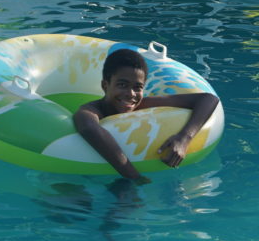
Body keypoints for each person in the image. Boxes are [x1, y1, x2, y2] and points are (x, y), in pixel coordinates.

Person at [72, 48, 220, 183]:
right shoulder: (92, 110)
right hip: (82, 175)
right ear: (105, 86)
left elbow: (209, 99)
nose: (131, 94)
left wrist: (184, 138)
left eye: (137, 87)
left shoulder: (142, 104)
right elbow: (88, 127)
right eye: (122, 85)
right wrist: (134, 177)